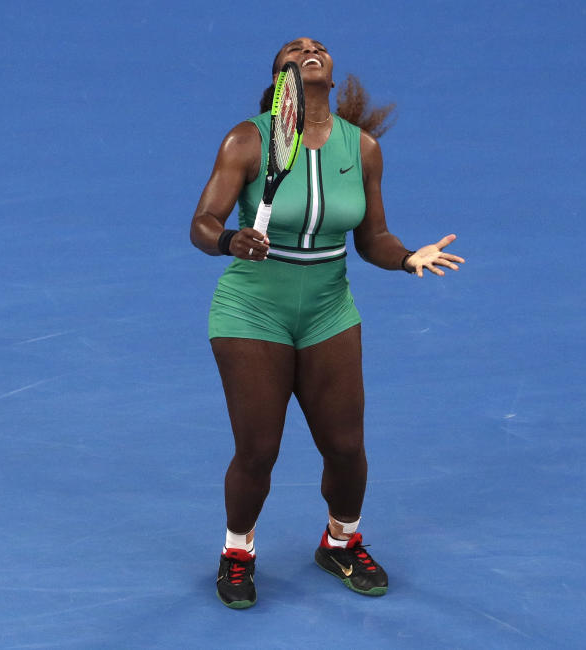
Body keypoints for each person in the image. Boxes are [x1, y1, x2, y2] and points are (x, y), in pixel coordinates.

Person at [190, 37, 464, 609]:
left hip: (329, 311)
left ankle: (341, 541)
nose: (310, 49)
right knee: (259, 450)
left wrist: (408, 255)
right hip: (251, 310)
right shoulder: (247, 139)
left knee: (345, 446)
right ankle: (237, 551)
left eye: (318, 46)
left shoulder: (361, 148)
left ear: (331, 74)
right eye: (295, 48)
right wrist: (228, 240)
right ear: (281, 78)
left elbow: (374, 238)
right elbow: (202, 223)